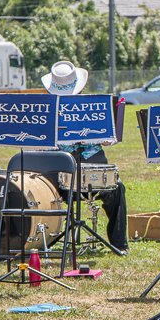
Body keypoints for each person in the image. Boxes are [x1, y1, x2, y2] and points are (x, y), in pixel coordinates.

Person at [42, 62, 127, 253]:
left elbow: (109, 140)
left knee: (117, 187)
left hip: (92, 173)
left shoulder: (94, 106)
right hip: (57, 176)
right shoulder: (47, 109)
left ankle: (119, 244)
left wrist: (104, 134)